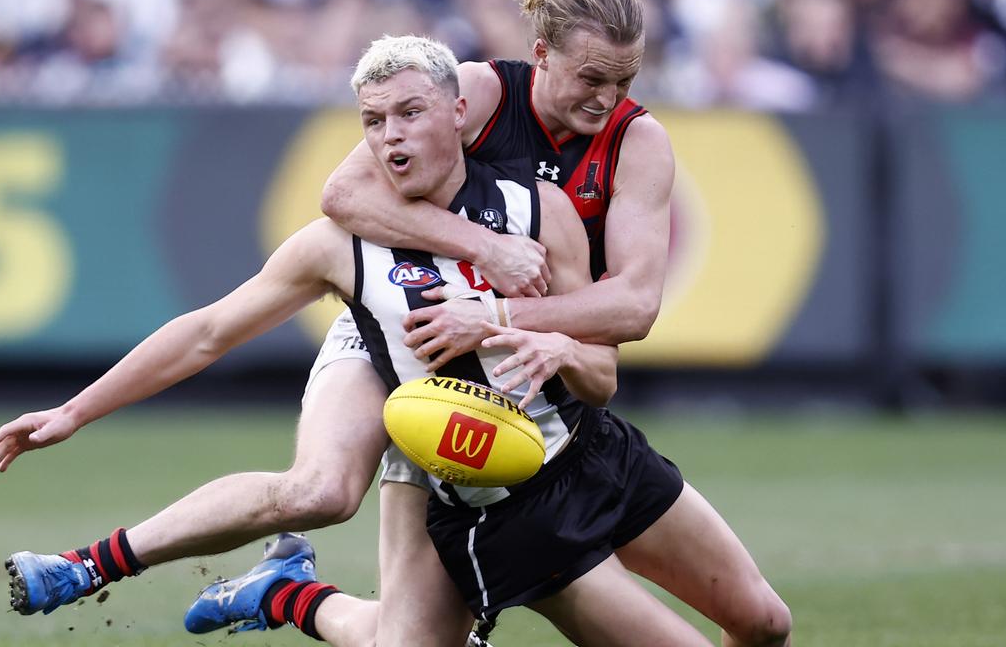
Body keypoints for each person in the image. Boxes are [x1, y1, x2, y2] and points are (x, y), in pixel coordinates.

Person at [184, 35, 791, 647]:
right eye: (591, 77)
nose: (606, 95)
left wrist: (508, 317)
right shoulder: (478, 91)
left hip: (566, 424)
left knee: (767, 624)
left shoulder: (633, 139)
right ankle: (219, 573)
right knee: (334, 499)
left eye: (623, 78)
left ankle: (283, 591)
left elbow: (631, 315)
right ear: (543, 54)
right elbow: (341, 196)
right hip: (430, 369)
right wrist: (484, 250)